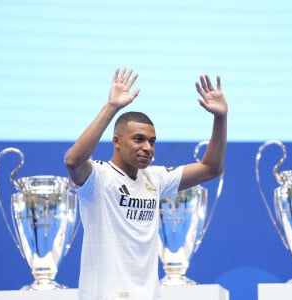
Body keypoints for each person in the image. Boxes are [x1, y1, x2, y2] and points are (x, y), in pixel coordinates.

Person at [64, 67, 228, 300]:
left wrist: (220, 118)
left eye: (152, 141)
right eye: (139, 139)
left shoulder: (155, 178)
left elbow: (211, 168)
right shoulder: (98, 177)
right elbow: (72, 160)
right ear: (117, 141)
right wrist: (111, 107)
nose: (148, 147)